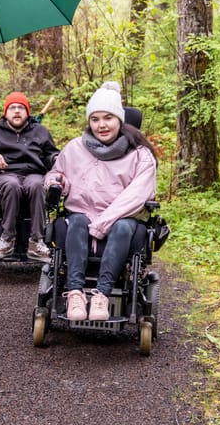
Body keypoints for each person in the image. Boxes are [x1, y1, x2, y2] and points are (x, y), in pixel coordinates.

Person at [44, 81, 157, 321]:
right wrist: (55, 183)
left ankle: (101, 296)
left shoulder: (140, 155)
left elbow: (137, 195)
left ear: (120, 120)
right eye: (95, 119)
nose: (101, 125)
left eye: (108, 118)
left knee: (123, 227)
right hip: (82, 214)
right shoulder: (75, 148)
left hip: (121, 218)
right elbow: (57, 172)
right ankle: (74, 292)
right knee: (75, 222)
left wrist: (102, 223)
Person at [0, 92, 59, 262]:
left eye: (21, 107)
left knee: (37, 185)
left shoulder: (40, 132)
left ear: (27, 112)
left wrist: (56, 159)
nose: (17, 111)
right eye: (13, 108)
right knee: (12, 184)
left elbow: (51, 154)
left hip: (33, 174)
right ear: (6, 112)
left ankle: (36, 241)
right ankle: (6, 239)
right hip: (5, 175)